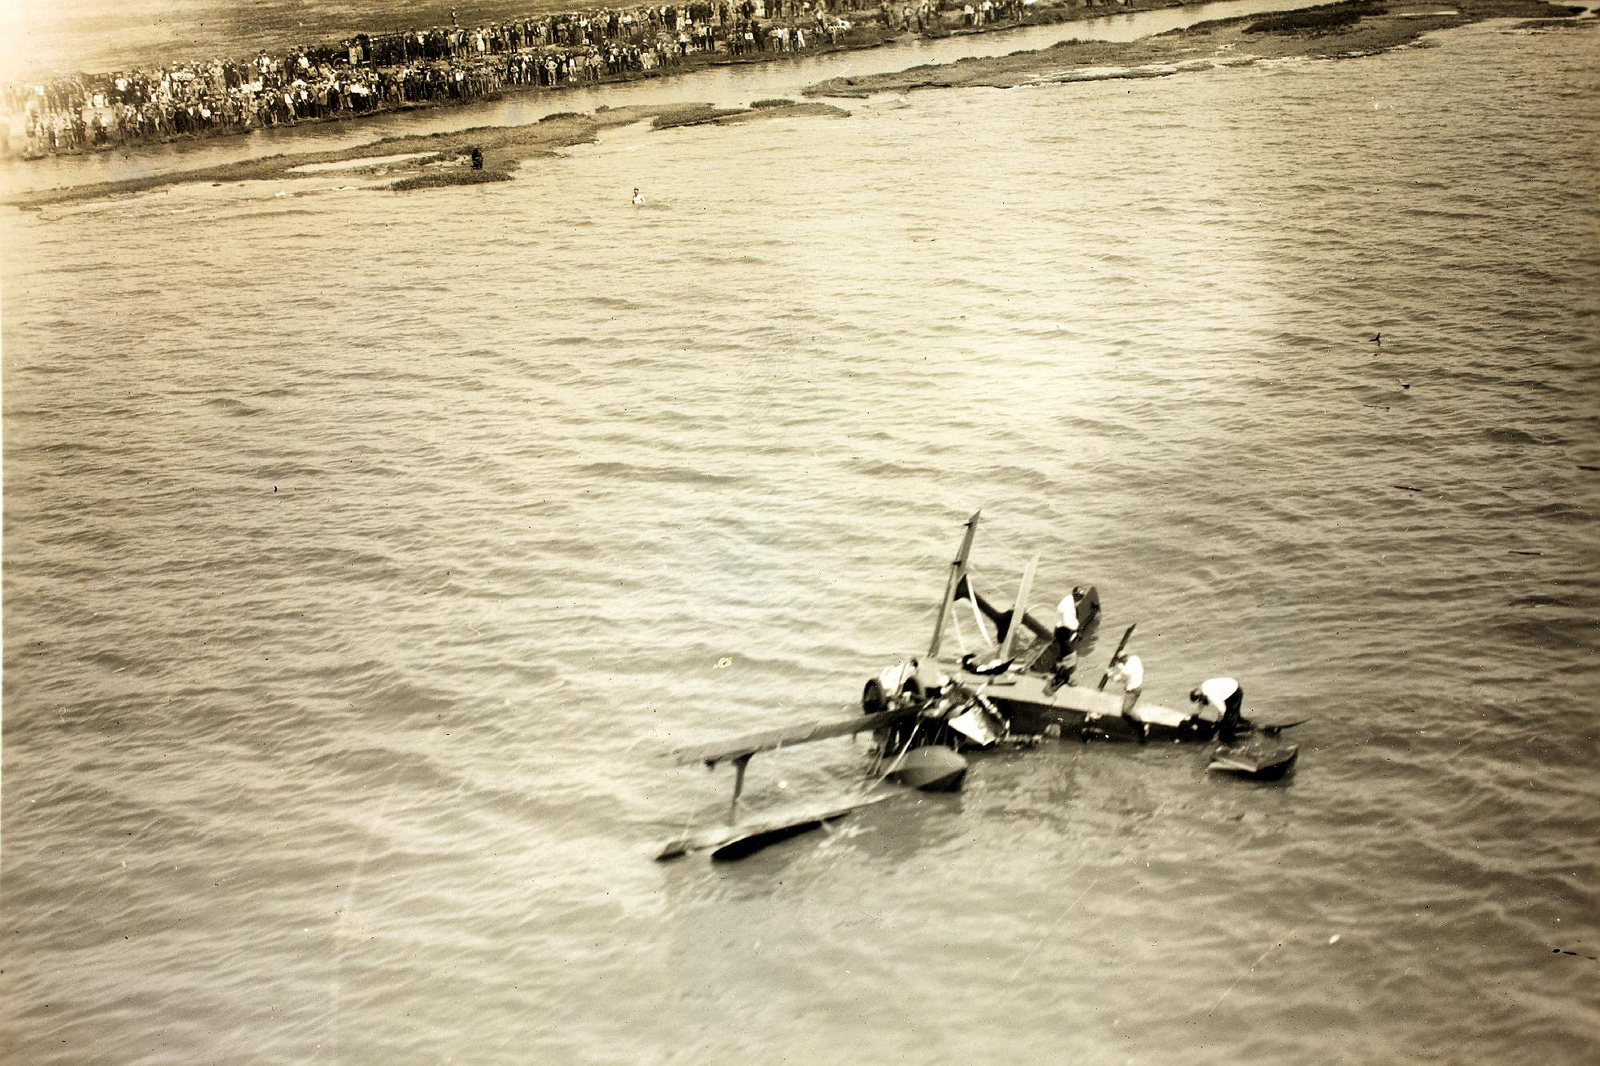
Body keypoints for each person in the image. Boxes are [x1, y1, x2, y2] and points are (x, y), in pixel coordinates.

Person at [1190, 677, 1244, 742]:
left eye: (1199, 700)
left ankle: (1230, 741)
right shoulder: (1202, 689)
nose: (1200, 702)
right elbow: (1201, 703)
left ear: (1201, 696)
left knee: (1228, 720)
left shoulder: (1211, 696)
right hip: (1229, 688)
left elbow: (1222, 710)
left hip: (1234, 692)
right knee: (1232, 717)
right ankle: (1240, 725)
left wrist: (1217, 724)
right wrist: (1196, 716)